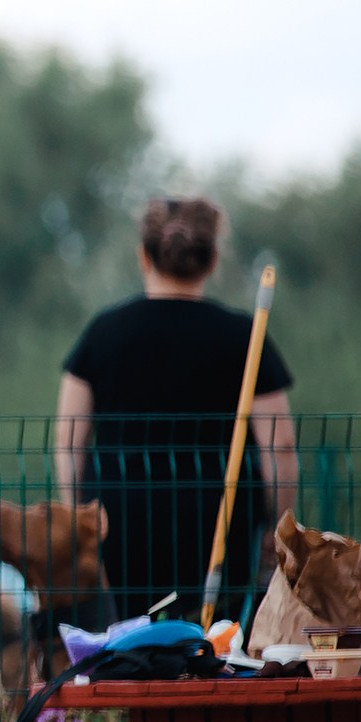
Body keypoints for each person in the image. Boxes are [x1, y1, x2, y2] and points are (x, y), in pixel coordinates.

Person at [55, 196, 296, 620]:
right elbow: (279, 446)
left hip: (119, 525)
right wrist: (276, 531)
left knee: (123, 652)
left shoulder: (102, 333)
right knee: (214, 650)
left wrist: (80, 524)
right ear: (213, 259)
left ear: (143, 256)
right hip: (218, 525)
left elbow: (69, 442)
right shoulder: (245, 336)